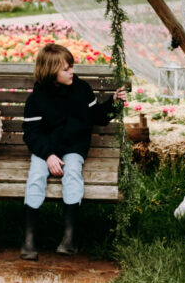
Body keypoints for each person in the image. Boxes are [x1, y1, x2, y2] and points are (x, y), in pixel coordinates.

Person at [21, 43, 128, 259]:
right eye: (66, 69)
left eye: (72, 67)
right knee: (36, 175)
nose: (72, 72)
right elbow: (32, 133)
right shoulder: (37, 98)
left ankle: (69, 238)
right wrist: (48, 155)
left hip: (73, 147)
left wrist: (113, 103)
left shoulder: (82, 89)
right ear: (51, 71)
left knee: (72, 174)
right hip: (46, 149)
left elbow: (97, 116)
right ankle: (29, 239)